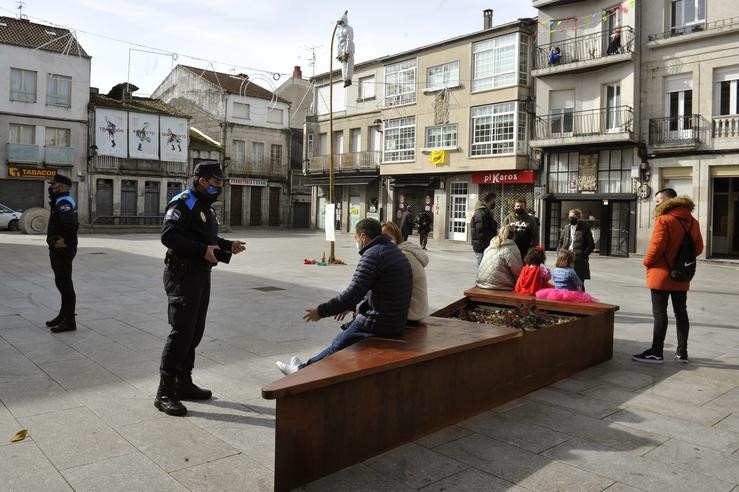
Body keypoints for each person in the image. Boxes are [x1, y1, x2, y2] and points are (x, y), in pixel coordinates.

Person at [155, 161, 247, 416]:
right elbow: (168, 236)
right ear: (202, 181)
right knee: (181, 332)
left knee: (194, 332)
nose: (219, 187)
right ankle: (165, 392)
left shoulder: (205, 207)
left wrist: (226, 245)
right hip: (182, 274)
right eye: (216, 183)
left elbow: (205, 239)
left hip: (199, 273)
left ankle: (183, 383)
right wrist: (201, 250)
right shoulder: (183, 202)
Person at [276, 218, 411, 375]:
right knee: (343, 339)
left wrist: (321, 311)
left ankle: (300, 372)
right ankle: (304, 367)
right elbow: (376, 289)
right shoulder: (392, 251)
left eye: (355, 237)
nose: (356, 242)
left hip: (379, 323)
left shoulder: (373, 255)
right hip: (396, 320)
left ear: (363, 237)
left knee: (338, 344)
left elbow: (352, 293)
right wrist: (352, 306)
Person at [632, 188, 703, 364]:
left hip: (661, 274)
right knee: (681, 312)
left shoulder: (664, 219)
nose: (656, 204)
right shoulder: (693, 222)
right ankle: (682, 352)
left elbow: (656, 248)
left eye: (658, 201)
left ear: (668, 200)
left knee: (660, 313)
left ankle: (656, 352)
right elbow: (699, 248)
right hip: (681, 274)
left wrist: (646, 262)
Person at [45, 174, 79, 333]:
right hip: (59, 248)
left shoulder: (64, 202)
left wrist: (66, 242)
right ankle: (63, 315)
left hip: (63, 249)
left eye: (55, 185)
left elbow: (71, 225)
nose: (52, 187)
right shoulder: (59, 201)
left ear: (64, 187)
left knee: (65, 284)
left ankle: (69, 320)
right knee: (61, 283)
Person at [382, 221, 428, 322]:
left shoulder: (402, 256)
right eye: (381, 238)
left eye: (389, 238)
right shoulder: (405, 252)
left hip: (410, 314)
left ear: (397, 238)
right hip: (417, 311)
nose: (384, 241)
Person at [476, 225, 523, 291]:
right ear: (513, 235)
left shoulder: (490, 246)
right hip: (499, 285)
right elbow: (517, 271)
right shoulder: (511, 248)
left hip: (481, 282)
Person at [557, 208, 595, 289]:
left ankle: (581, 299)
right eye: (570, 217)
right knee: (566, 282)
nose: (571, 219)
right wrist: (559, 253)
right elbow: (560, 241)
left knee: (579, 283)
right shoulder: (566, 227)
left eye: (573, 217)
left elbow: (591, 245)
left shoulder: (585, 228)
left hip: (578, 259)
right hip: (565, 258)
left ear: (578, 217)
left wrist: (583, 256)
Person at [471, 192, 498, 267]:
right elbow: (481, 233)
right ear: (489, 201)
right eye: (493, 200)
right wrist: (488, 246)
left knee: (484, 268)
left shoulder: (485, 212)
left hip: (483, 247)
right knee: (482, 269)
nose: (494, 202)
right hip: (482, 248)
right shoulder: (481, 213)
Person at [336, 11, 355, 87]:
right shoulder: (340, 30)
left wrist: (344, 52)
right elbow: (340, 42)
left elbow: (348, 40)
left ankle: (347, 79)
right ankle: (346, 79)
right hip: (345, 49)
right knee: (346, 64)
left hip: (346, 49)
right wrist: (341, 53)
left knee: (347, 64)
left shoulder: (346, 29)